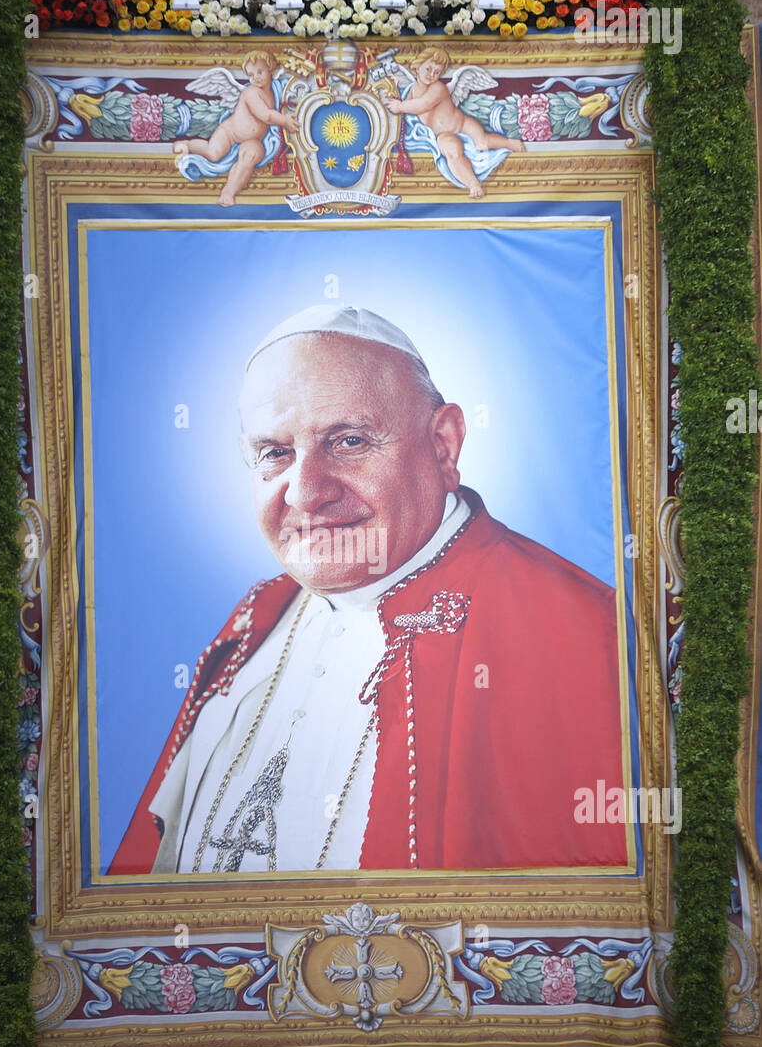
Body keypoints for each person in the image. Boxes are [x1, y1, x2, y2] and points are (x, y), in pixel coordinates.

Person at [109, 304, 629, 876]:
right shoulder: (256, 618)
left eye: (349, 440)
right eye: (275, 454)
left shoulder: (580, 633)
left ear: (443, 444)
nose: (306, 493)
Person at [383, 47, 523, 199]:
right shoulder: (412, 90)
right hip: (443, 134)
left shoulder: (438, 88)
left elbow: (424, 104)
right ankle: (473, 184)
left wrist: (400, 106)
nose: (431, 75)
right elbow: (407, 112)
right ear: (417, 66)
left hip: (463, 125)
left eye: (437, 72)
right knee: (452, 152)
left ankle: (509, 143)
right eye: (428, 69)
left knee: (482, 142)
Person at [173, 50, 298, 206]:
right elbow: (266, 115)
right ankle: (188, 144)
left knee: (250, 156)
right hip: (229, 133)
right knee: (213, 153)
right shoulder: (250, 92)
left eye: (260, 72)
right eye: (251, 75)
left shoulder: (275, 91)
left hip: (254, 139)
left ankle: (229, 191)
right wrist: (284, 120)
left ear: (271, 69)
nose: (256, 78)